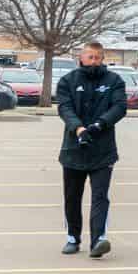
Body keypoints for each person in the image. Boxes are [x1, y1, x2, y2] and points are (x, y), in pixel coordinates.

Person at [56, 42, 127, 259]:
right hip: (73, 148)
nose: (94, 61)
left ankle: (98, 240)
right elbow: (64, 107)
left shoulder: (114, 81)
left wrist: (99, 125)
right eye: (90, 57)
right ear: (81, 57)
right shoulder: (68, 81)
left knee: (100, 196)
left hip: (102, 149)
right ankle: (73, 238)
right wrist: (78, 128)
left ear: (103, 58)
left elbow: (119, 107)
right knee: (72, 196)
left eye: (98, 57)